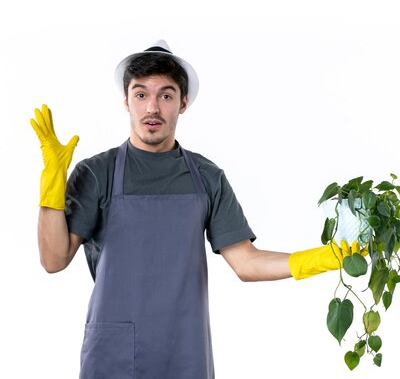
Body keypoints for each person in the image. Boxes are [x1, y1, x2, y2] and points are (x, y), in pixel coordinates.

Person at [30, 40, 367, 379]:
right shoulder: (96, 172)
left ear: (183, 103)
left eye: (165, 95)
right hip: (113, 354)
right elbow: (54, 259)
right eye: (141, 94)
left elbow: (247, 263)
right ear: (126, 101)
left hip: (185, 349)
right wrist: (51, 186)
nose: (152, 108)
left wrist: (324, 258)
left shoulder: (206, 177)